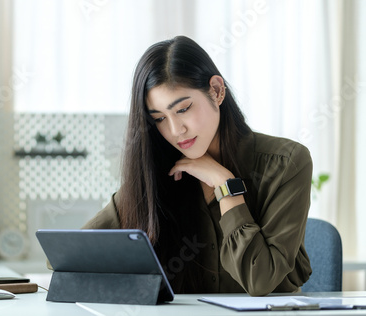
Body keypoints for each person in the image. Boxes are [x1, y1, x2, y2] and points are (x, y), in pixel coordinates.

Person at [82, 35, 312, 296]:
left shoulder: (285, 163)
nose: (175, 130)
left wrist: (226, 186)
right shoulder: (160, 170)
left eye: (182, 109)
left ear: (216, 91)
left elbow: (259, 280)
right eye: (159, 119)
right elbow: (72, 254)